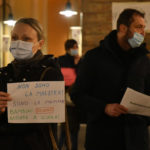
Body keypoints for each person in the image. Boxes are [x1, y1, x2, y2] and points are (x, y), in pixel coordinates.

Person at [70, 8, 150, 150]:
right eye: (138, 27)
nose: (143, 33)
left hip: (136, 139)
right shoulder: (94, 57)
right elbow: (77, 94)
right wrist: (104, 107)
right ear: (123, 28)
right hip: (103, 138)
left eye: (144, 28)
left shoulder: (143, 60)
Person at [0, 18, 63, 150]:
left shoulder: (49, 73)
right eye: (14, 37)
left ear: (40, 44)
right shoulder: (3, 73)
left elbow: (45, 119)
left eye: (26, 39)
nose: (18, 43)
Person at [58, 39, 81, 150]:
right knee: (66, 126)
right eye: (74, 47)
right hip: (63, 95)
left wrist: (77, 64)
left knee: (72, 127)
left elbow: (81, 77)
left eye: (77, 47)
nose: (76, 49)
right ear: (68, 48)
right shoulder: (61, 60)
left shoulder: (80, 61)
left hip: (75, 97)